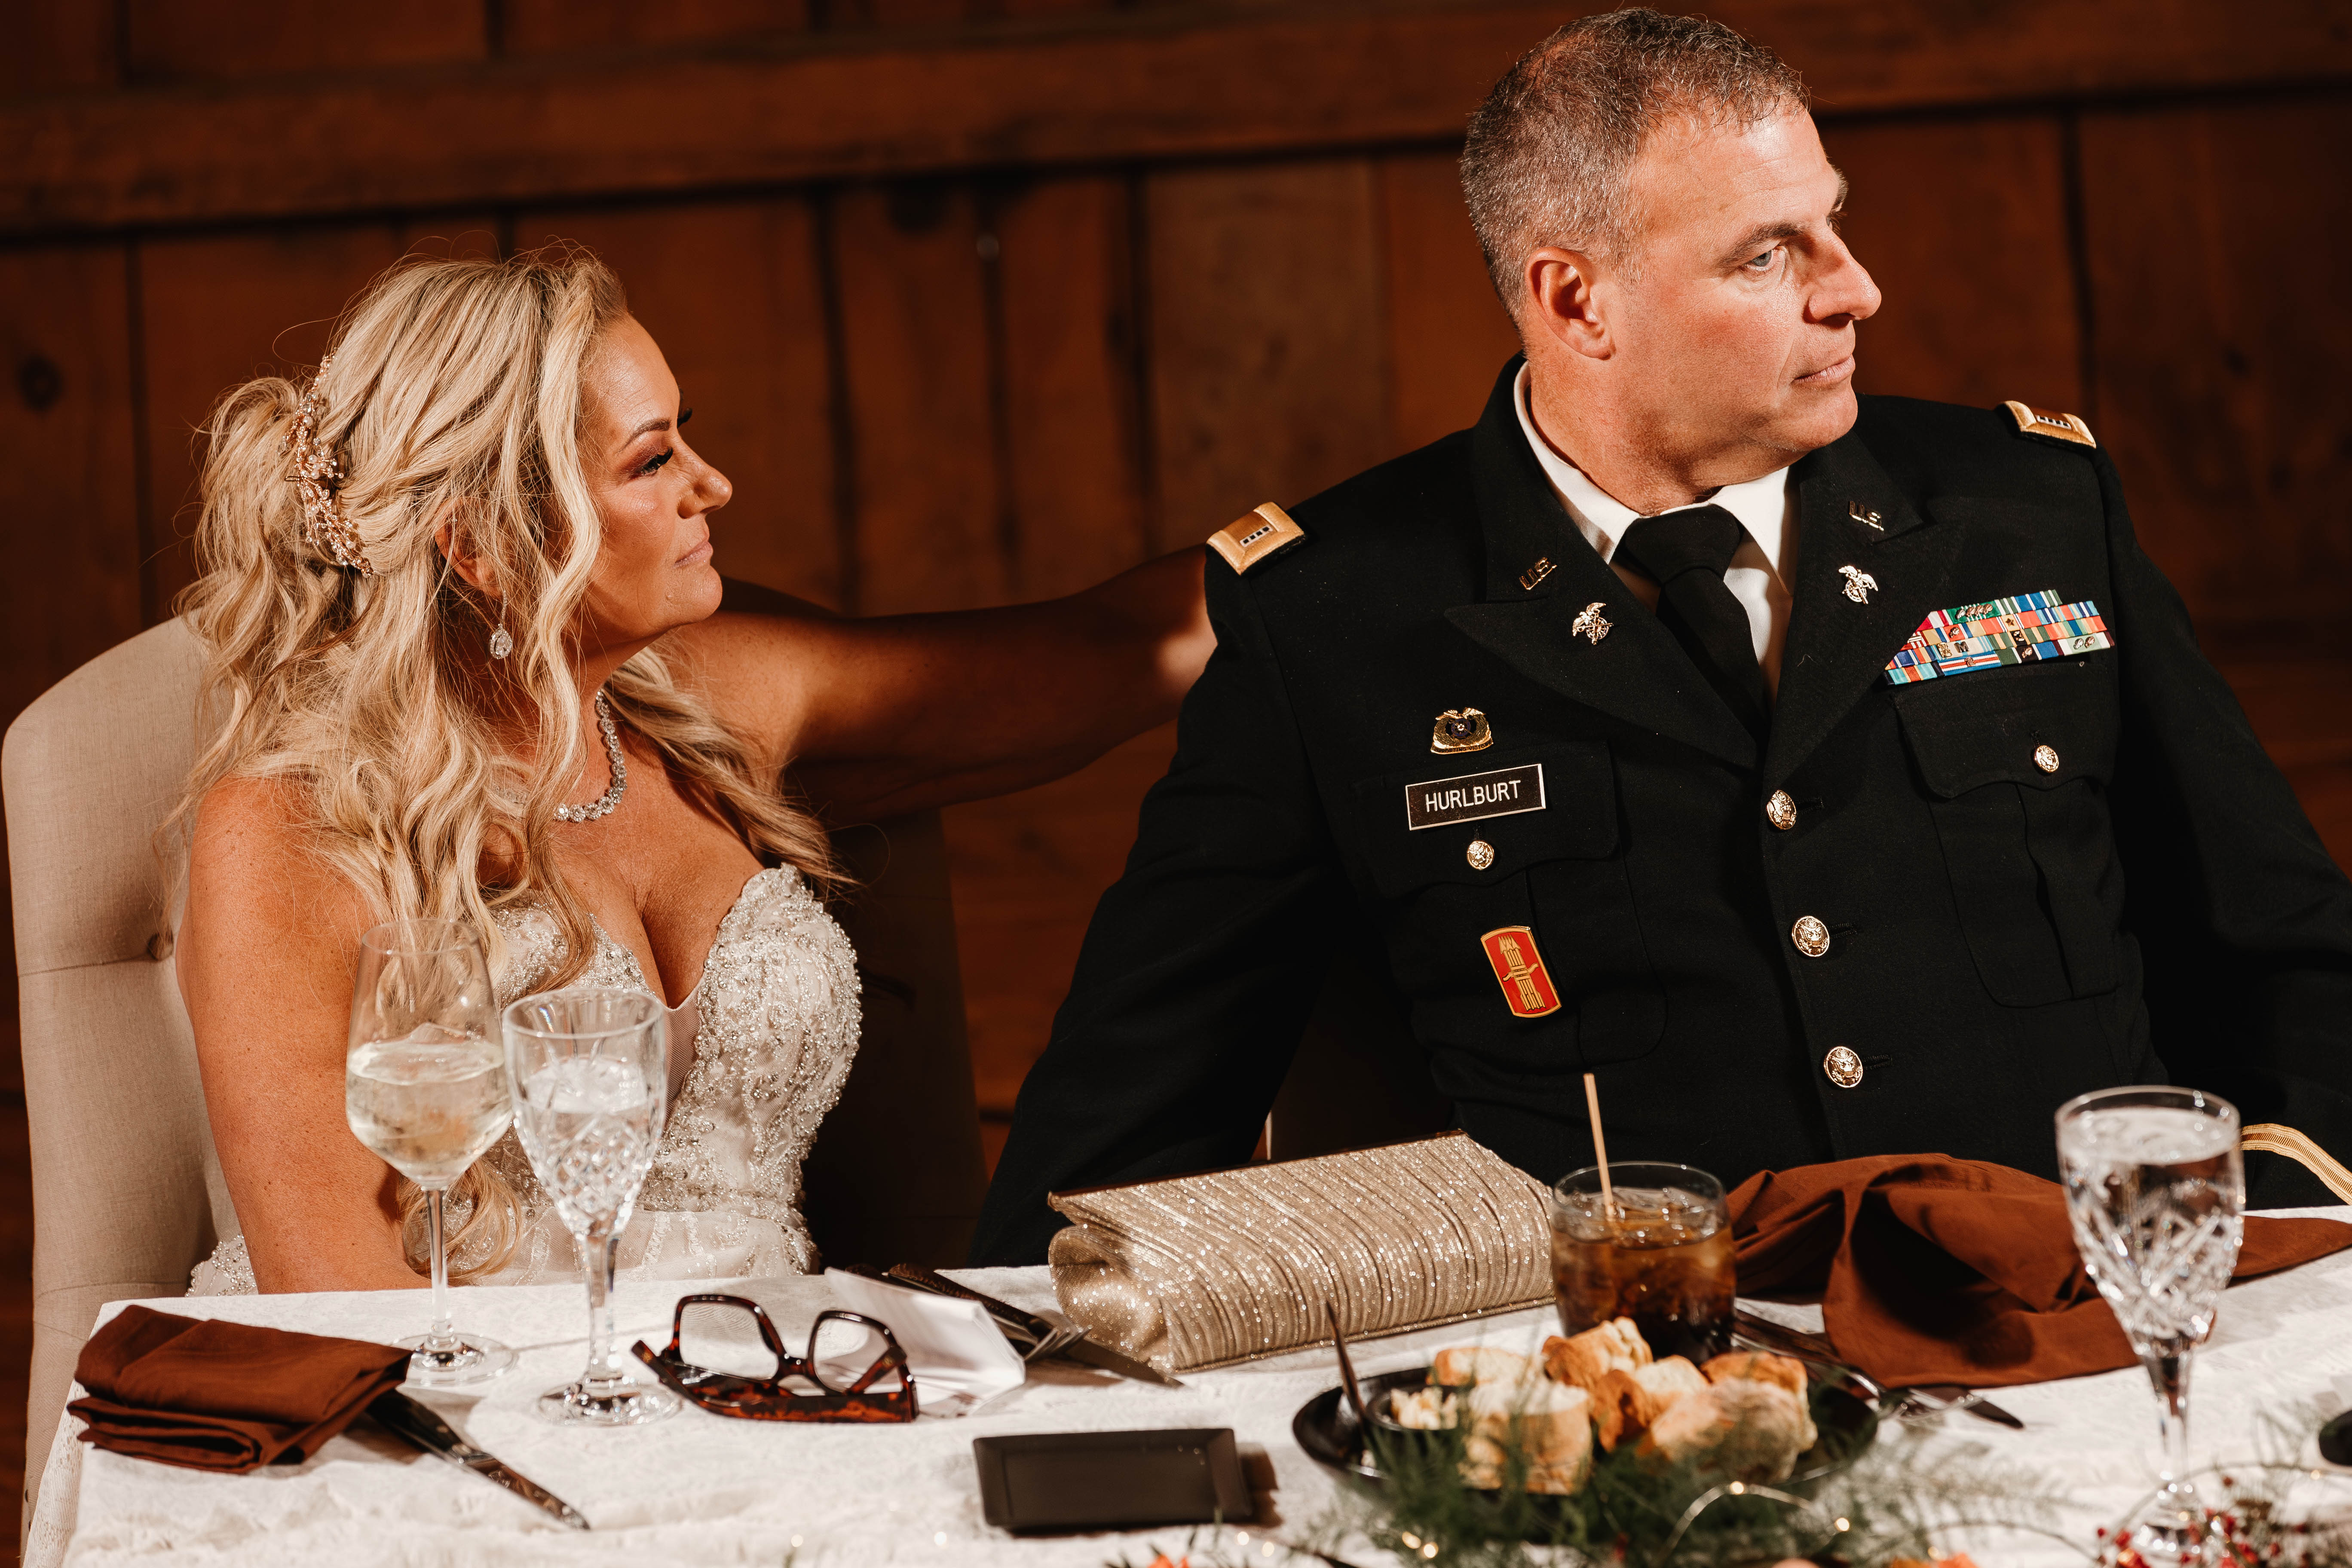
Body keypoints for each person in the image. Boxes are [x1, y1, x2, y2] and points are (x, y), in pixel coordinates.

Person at [971, 7, 2352, 1265]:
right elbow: (1135, 1106)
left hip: (2080, 1323)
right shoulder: (1333, 614)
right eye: (1769, 254)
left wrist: (2267, 1248)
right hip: (1637, 1380)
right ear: (1578, 301)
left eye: (1833, 222)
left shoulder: (2031, 509)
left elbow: (2283, 948)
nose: (1855, 288)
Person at [175, 246, 1211, 1294]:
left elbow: (1114, 654)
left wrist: (1306, 545)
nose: (713, 485)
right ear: (485, 544)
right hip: (454, 1379)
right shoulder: (285, 827)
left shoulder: (705, 703)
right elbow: (350, 1316)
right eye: (652, 461)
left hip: (767, 1362)